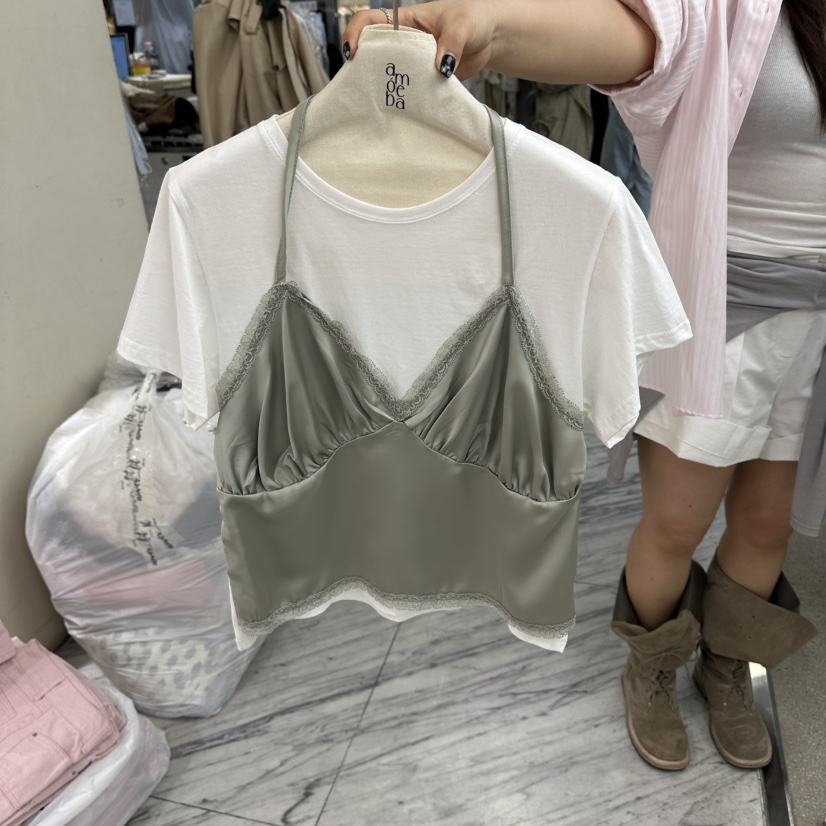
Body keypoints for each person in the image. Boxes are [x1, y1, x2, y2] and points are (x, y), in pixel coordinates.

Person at [343, 0, 824, 772]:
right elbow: (638, 37)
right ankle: (652, 664)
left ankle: (727, 664)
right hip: (721, 304)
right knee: (678, 522)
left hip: (819, 325)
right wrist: (489, 26)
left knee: (768, 525)